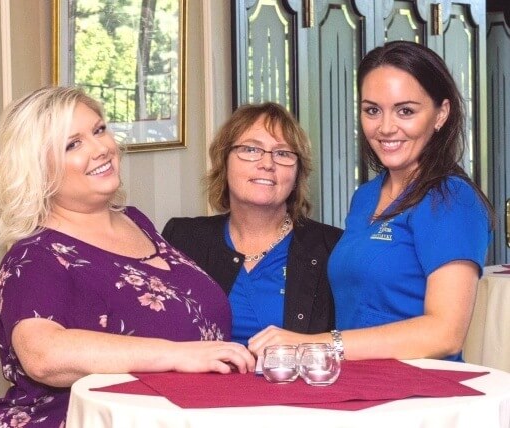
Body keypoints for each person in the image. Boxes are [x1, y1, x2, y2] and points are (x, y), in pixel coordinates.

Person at [0, 86, 255, 427]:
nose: (101, 148)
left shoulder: (135, 220)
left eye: (99, 130)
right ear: (38, 169)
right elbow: (43, 355)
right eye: (73, 144)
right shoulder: (35, 255)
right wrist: (178, 355)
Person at [325, 41, 494, 362]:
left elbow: (445, 334)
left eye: (406, 111)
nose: (386, 128)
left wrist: (321, 345)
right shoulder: (365, 197)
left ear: (440, 114)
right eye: (372, 110)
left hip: (420, 394)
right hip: (358, 386)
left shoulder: (451, 199)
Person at [162, 102, 343, 353]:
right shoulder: (181, 239)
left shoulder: (332, 248)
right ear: (224, 163)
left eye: (283, 153)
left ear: (297, 175)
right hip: (200, 390)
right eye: (250, 149)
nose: (267, 163)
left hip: (294, 389)